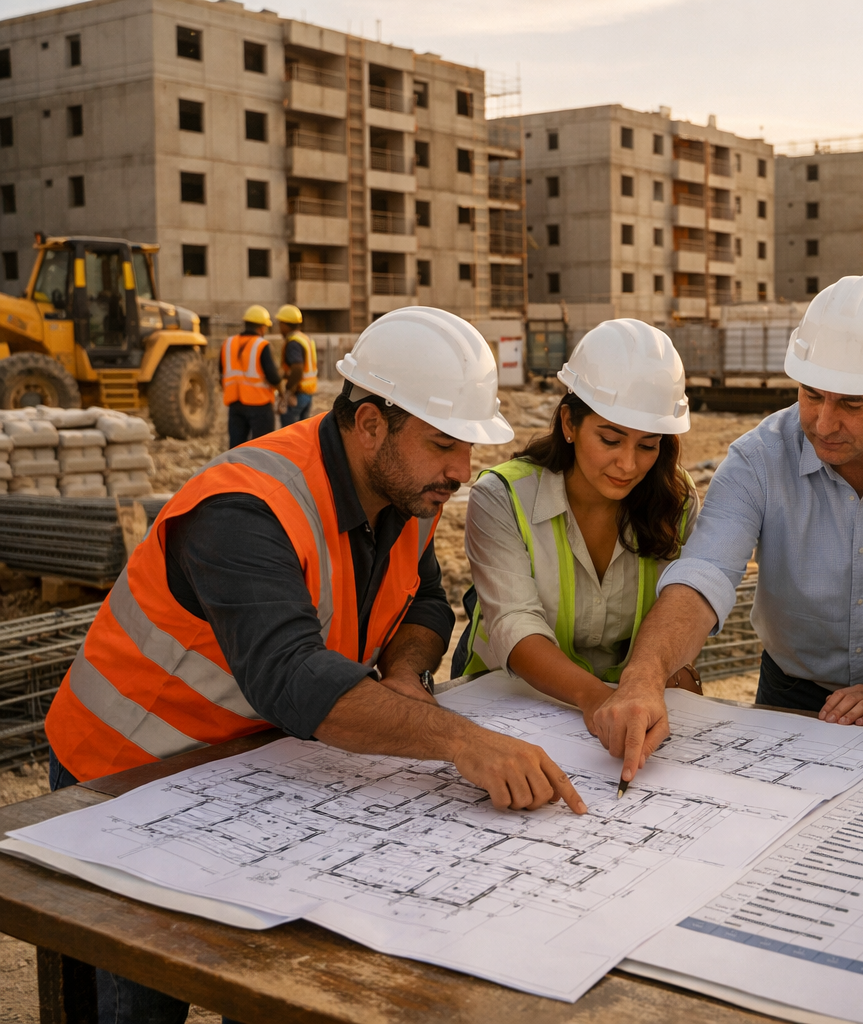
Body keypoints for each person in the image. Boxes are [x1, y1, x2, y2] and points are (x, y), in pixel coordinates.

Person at [45, 306, 586, 1024]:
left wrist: (406, 674)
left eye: (468, 447)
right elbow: (291, 677)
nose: (462, 471)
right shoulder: (246, 509)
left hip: (249, 767)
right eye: (444, 445)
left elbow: (425, 600)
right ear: (369, 425)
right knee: (139, 1003)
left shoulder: (409, 491)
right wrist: (461, 741)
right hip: (123, 773)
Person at [591, 275, 863, 783]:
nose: (824, 423)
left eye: (850, 403)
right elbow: (702, 574)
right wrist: (643, 679)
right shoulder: (758, 458)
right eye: (811, 395)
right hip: (791, 696)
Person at [455, 320, 701, 718]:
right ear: (569, 424)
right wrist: (600, 701)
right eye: (610, 439)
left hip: (627, 703)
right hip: (511, 702)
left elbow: (682, 610)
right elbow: (515, 625)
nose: (627, 464)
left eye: (648, 446)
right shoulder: (502, 497)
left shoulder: (677, 499)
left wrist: (669, 680)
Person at [220, 305, 281, 446]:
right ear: (261, 328)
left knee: (236, 449)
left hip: (235, 403)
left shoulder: (228, 343)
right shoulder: (262, 345)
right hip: (260, 405)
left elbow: (222, 372)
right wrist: (282, 391)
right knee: (262, 448)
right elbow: (273, 376)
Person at [276, 303, 318, 427]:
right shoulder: (305, 339)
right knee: (301, 435)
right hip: (308, 394)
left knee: (289, 437)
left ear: (285, 324)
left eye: (280, 324)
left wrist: (288, 391)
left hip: (297, 395)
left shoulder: (293, 342)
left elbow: (297, 369)